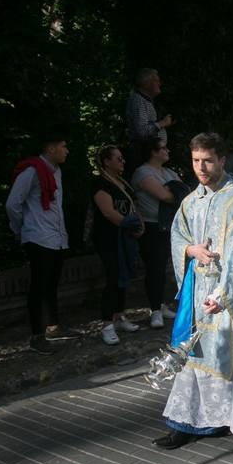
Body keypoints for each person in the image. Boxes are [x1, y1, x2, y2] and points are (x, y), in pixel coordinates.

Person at [154, 132, 233, 449]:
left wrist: (224, 295)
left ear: (221, 160)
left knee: (230, 356)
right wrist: (190, 251)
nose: (201, 167)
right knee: (195, 356)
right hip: (198, 293)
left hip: (227, 299)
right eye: (196, 160)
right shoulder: (189, 202)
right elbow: (177, 239)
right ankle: (188, 422)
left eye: (208, 160)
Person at [7, 133, 70, 354]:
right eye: (63, 146)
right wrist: (21, 228)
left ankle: (53, 326)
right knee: (38, 286)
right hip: (38, 237)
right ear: (51, 149)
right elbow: (13, 204)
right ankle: (37, 335)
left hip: (56, 237)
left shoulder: (56, 172)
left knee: (52, 283)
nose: (66, 150)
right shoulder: (32, 171)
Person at [91, 145, 143, 343]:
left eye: (122, 158)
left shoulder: (121, 182)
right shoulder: (100, 183)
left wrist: (139, 225)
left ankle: (119, 316)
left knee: (123, 277)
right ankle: (106, 324)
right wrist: (129, 223)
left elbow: (132, 205)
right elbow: (108, 212)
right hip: (109, 238)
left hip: (126, 237)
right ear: (106, 161)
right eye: (118, 158)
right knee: (113, 277)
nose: (123, 161)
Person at [132, 135, 183, 329]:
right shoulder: (142, 172)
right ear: (153, 151)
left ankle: (161, 305)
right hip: (151, 226)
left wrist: (176, 193)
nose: (167, 151)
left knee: (164, 268)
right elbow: (166, 196)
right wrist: (174, 193)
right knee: (154, 268)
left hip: (170, 225)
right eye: (163, 148)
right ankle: (154, 310)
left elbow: (183, 193)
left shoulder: (169, 172)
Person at [125, 68, 172, 163]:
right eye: (156, 81)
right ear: (146, 83)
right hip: (144, 156)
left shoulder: (145, 100)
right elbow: (141, 131)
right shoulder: (138, 101)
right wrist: (162, 123)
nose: (159, 84)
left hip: (150, 156)